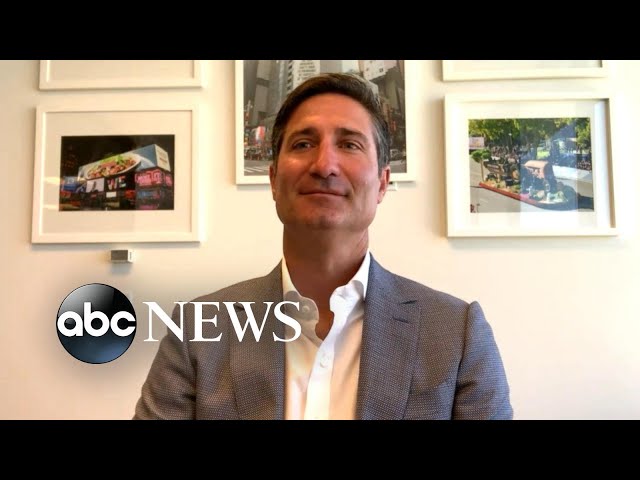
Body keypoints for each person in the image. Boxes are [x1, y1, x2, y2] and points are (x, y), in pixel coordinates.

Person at [134, 73, 513, 420]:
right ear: (273, 180)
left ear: (382, 183)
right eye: (303, 143)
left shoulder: (456, 333)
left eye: (349, 144)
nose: (324, 164)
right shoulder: (196, 330)